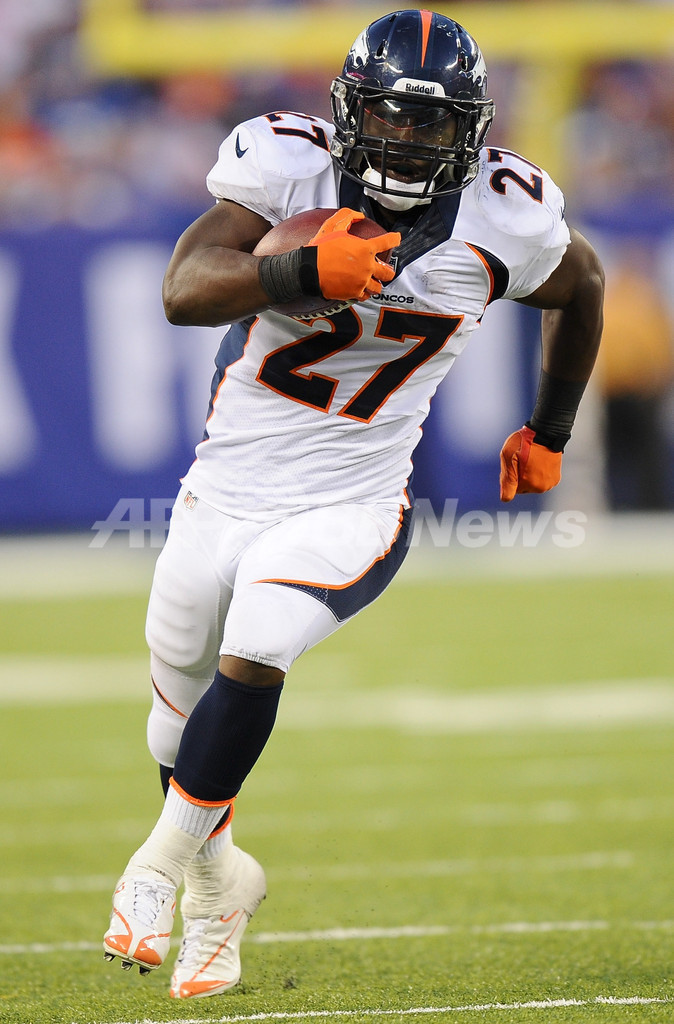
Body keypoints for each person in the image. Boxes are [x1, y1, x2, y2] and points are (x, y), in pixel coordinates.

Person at [103, 8, 604, 1000]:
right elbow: (183, 288)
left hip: (355, 495)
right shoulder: (287, 168)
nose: (408, 138)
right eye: (389, 115)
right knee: (173, 718)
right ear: (348, 110)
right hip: (224, 485)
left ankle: (154, 867)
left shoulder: (504, 214)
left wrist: (548, 431)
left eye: (433, 121)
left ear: (471, 127)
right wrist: (293, 270)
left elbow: (581, 284)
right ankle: (220, 888)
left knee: (259, 641)